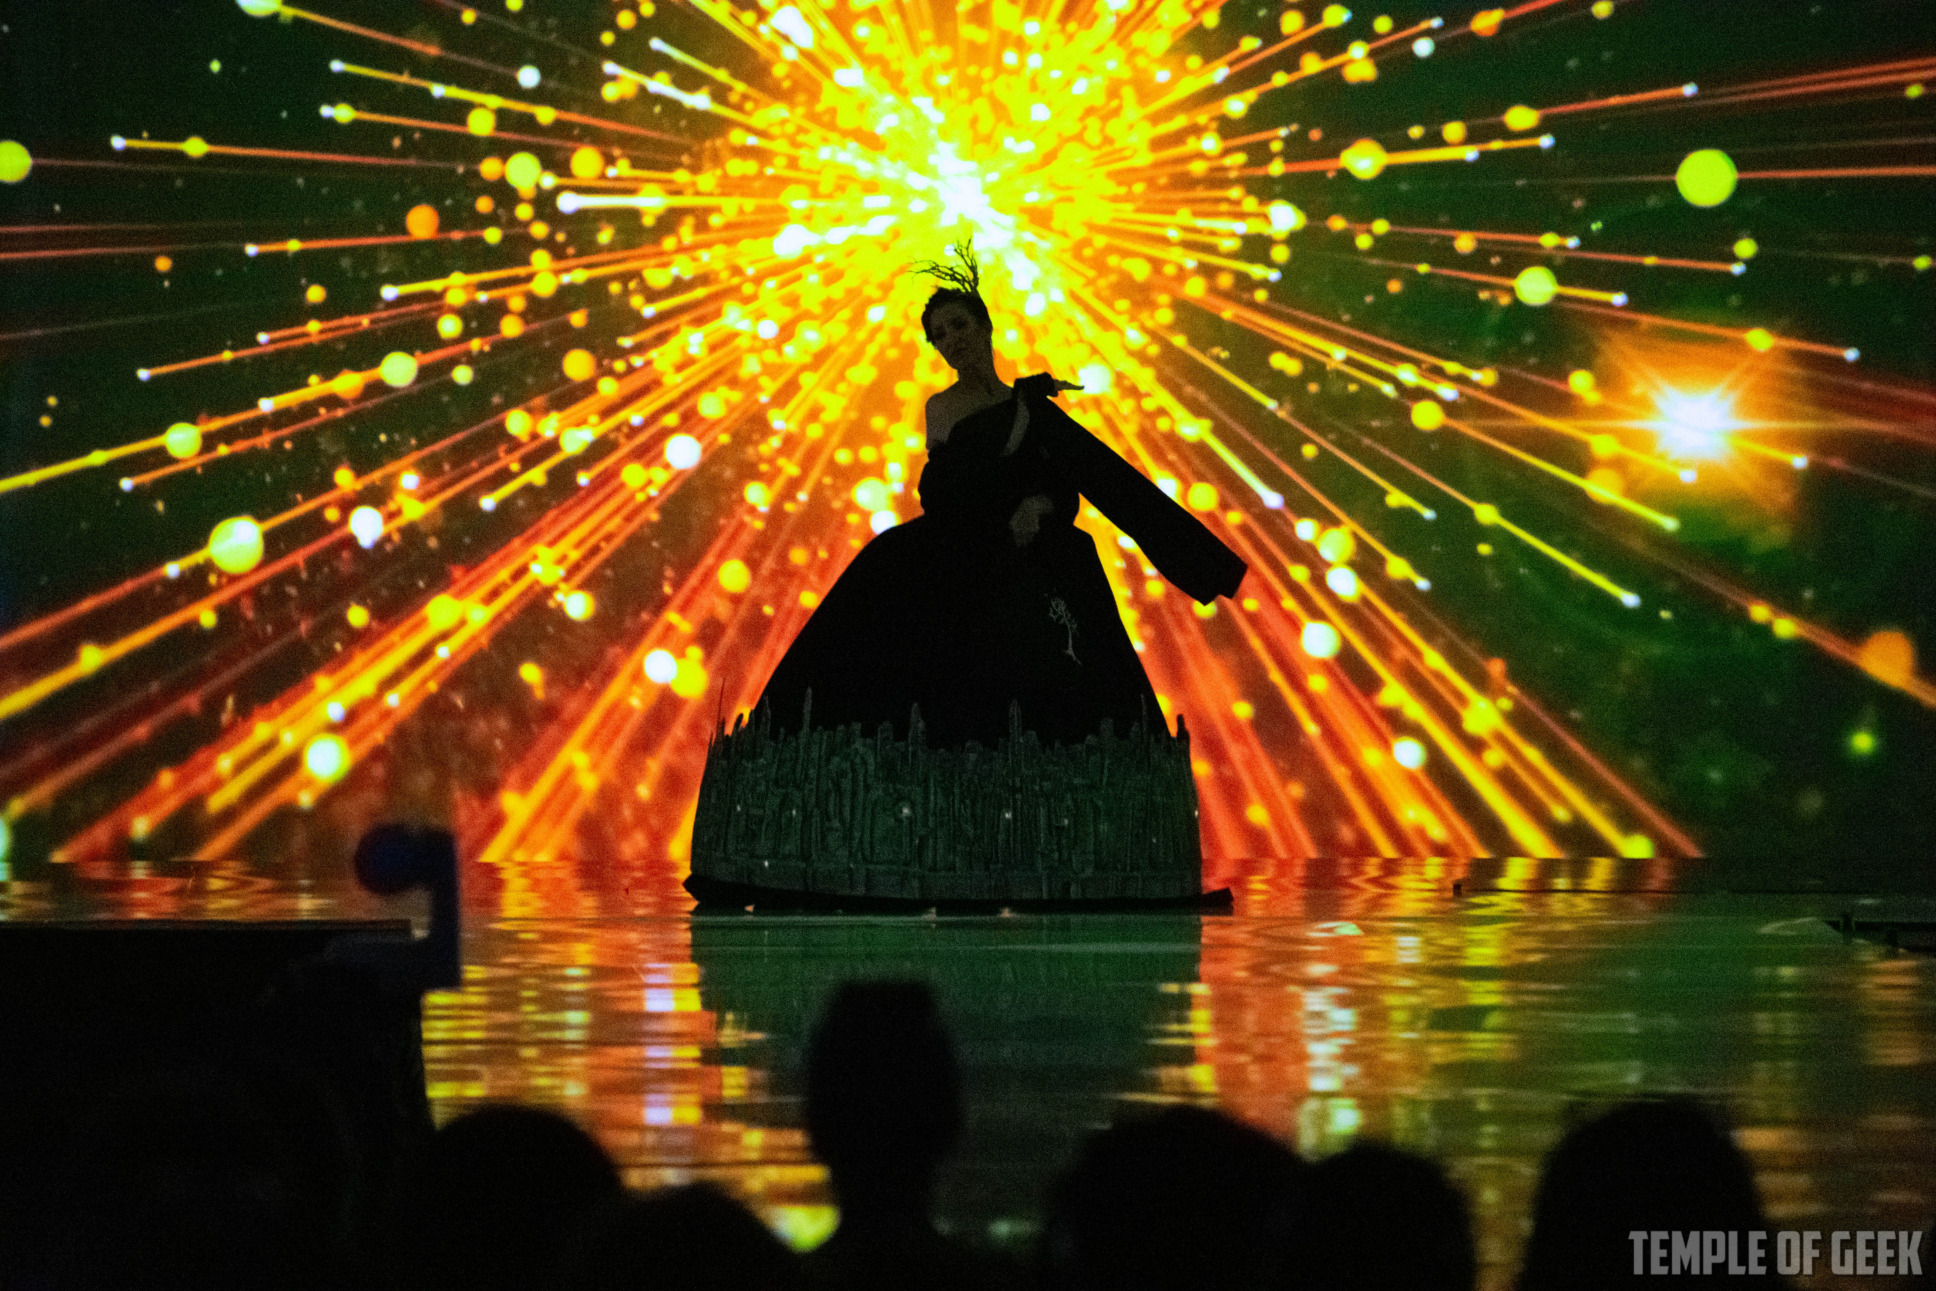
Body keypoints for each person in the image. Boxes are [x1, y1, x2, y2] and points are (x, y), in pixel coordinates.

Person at [753, 235, 1246, 752]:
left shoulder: (1029, 405)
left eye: (959, 325)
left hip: (1035, 538)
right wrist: (1007, 496)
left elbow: (1080, 475)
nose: (951, 339)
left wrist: (1039, 501)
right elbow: (942, 489)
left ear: (985, 326)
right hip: (964, 538)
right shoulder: (943, 407)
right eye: (940, 335)